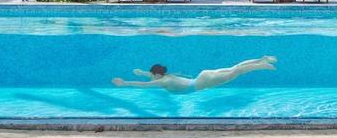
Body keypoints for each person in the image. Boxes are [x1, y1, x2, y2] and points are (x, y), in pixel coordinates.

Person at [112, 56, 276, 94]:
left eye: (151, 74)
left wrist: (125, 82)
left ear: (156, 74)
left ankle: (262, 65)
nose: (151, 77)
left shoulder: (162, 82)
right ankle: (261, 58)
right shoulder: (166, 77)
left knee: (235, 72)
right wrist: (141, 72)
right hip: (202, 75)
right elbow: (150, 77)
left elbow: (145, 84)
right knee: (233, 67)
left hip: (201, 83)